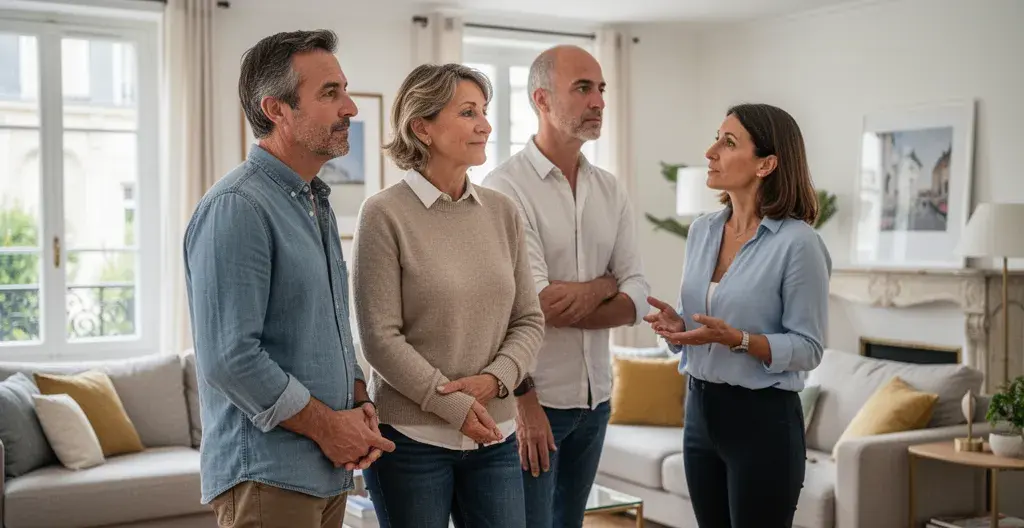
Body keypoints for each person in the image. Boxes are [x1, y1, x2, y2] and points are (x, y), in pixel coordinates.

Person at [183, 29, 395, 528]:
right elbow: (230, 359)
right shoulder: (238, 206)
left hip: (323, 472)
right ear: (276, 109)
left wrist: (360, 398)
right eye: (330, 93)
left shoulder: (313, 203)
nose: (351, 108)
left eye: (344, 89)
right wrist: (329, 429)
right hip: (268, 476)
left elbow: (326, 329)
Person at [352, 63, 545, 528]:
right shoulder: (383, 214)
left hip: (495, 436)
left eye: (484, 111)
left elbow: (529, 319)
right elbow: (380, 338)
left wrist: (495, 380)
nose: (485, 125)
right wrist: (455, 405)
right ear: (423, 126)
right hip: (411, 442)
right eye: (468, 112)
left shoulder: (503, 211)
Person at [481, 45, 651, 528]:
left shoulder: (611, 189)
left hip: (596, 402)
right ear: (541, 99)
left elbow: (638, 291)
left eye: (601, 89)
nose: (598, 100)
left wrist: (610, 290)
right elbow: (537, 305)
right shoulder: (505, 188)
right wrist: (606, 284)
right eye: (583, 88)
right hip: (536, 403)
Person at [644, 103, 832, 528]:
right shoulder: (702, 230)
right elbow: (703, 327)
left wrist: (741, 340)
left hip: (763, 421)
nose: (711, 152)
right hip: (699, 413)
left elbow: (809, 347)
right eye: (716, 138)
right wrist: (679, 329)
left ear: (767, 163)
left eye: (728, 143)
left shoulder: (798, 244)